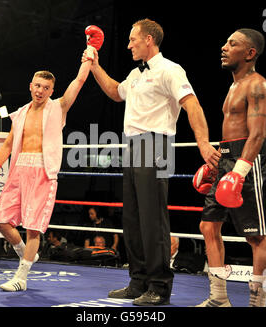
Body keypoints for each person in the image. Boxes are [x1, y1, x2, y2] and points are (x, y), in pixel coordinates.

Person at [83, 18, 220, 306]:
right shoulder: (134, 74)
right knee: (132, 219)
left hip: (156, 144)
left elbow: (192, 104)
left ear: (148, 40)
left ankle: (159, 285)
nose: (129, 44)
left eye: (133, 39)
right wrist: (94, 65)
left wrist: (203, 143)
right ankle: (138, 281)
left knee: (152, 219)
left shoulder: (170, 70)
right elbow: (114, 91)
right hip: (132, 146)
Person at [0, 25, 104, 292]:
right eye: (37, 85)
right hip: (18, 169)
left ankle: (21, 277)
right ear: (31, 85)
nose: (40, 90)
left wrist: (91, 50)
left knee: (33, 227)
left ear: (51, 90)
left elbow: (79, 82)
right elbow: (11, 142)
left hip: (43, 172)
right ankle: (25, 252)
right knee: (1, 219)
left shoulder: (58, 108)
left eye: (46, 87)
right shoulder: (21, 113)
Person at [193, 28, 266, 307]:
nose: (224, 47)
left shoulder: (258, 85)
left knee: (256, 237)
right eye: (225, 42)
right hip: (227, 157)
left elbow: (258, 134)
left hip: (249, 161)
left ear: (250, 53)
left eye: (232, 44)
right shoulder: (233, 86)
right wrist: (219, 160)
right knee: (208, 225)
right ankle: (218, 299)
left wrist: (238, 171)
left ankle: (257, 303)